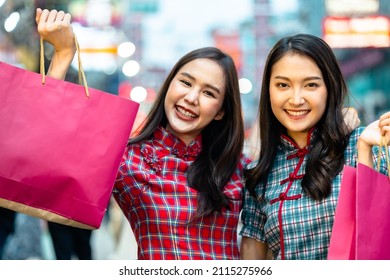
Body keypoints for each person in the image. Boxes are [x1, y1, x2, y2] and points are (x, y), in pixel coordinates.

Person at [36, 8, 248, 260]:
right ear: (169, 85)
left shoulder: (242, 168)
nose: (191, 98)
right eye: (186, 83)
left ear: (221, 112)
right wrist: (62, 57)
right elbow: (49, 152)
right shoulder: (127, 159)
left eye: (209, 93)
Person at [239, 33, 390, 260]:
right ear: (268, 90)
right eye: (283, 85)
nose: (296, 99)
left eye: (310, 85)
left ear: (329, 87)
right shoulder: (259, 174)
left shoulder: (367, 144)